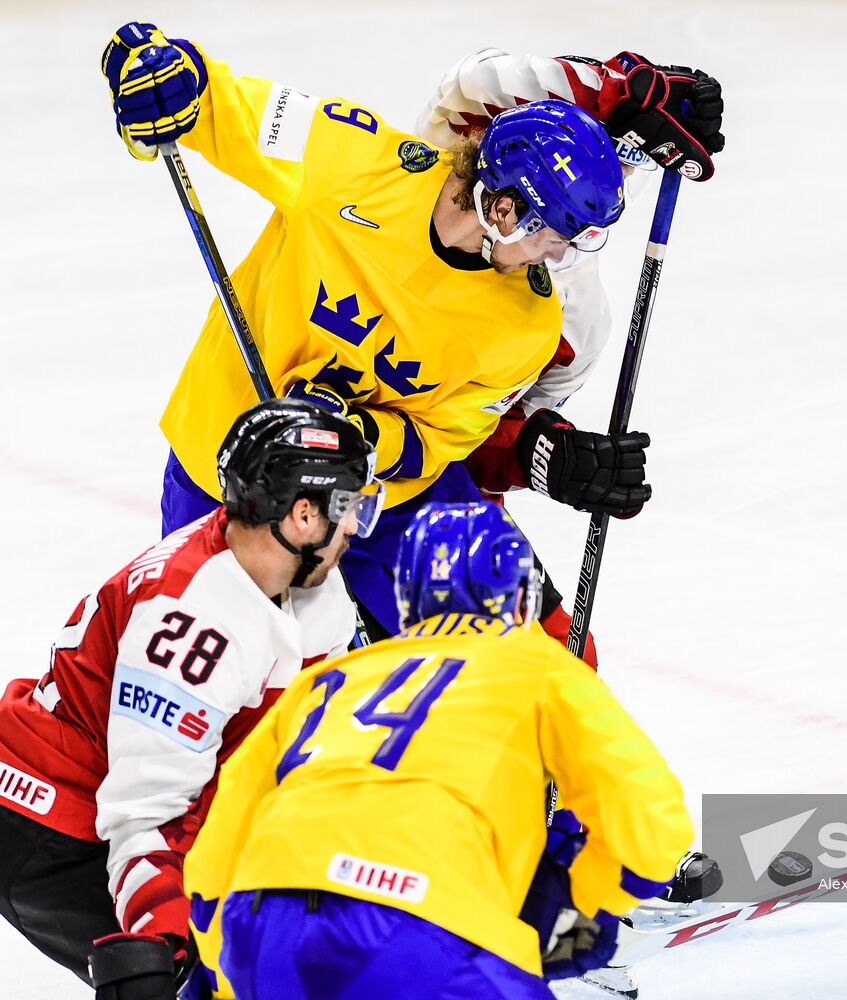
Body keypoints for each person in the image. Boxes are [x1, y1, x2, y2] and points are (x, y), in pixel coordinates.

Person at [99, 22, 643, 640]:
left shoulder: (528, 324)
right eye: (553, 236)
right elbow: (221, 107)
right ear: (504, 208)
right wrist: (170, 86)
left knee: (534, 652)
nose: (557, 257)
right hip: (229, 473)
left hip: (383, 499)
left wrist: (352, 434)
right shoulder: (351, 158)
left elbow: (439, 441)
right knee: (238, 676)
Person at [183, 502, 693, 999]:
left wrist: (224, 973)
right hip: (422, 931)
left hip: (265, 925)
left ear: (406, 598)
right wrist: (580, 900)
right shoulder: (538, 666)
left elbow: (213, 860)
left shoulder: (324, 681)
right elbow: (651, 828)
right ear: (522, 600)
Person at [0, 398, 382, 997]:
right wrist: (163, 940)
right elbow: (144, 815)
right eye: (349, 505)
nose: (358, 525)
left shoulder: (309, 585)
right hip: (56, 823)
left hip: (148, 797)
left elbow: (316, 747)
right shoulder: (192, 620)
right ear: (303, 514)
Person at [414, 49, 725, 665]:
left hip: (407, 479)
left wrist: (548, 457)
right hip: (301, 437)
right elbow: (477, 83)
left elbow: (469, 444)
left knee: (551, 672)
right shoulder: (457, 167)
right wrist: (617, 91)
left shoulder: (575, 327)